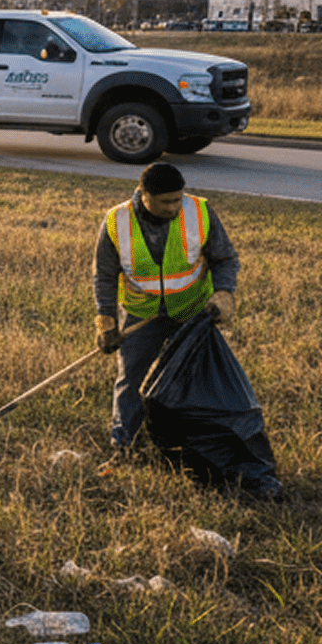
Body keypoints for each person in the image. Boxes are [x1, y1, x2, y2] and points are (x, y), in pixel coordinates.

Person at [95, 161, 238, 455]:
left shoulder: (199, 212)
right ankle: (124, 443)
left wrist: (224, 293)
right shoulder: (116, 221)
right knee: (131, 377)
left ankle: (196, 443)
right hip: (142, 314)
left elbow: (225, 258)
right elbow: (105, 275)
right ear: (143, 195)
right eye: (166, 202)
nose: (175, 206)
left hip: (193, 311)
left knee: (198, 377)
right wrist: (106, 321)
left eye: (178, 199)